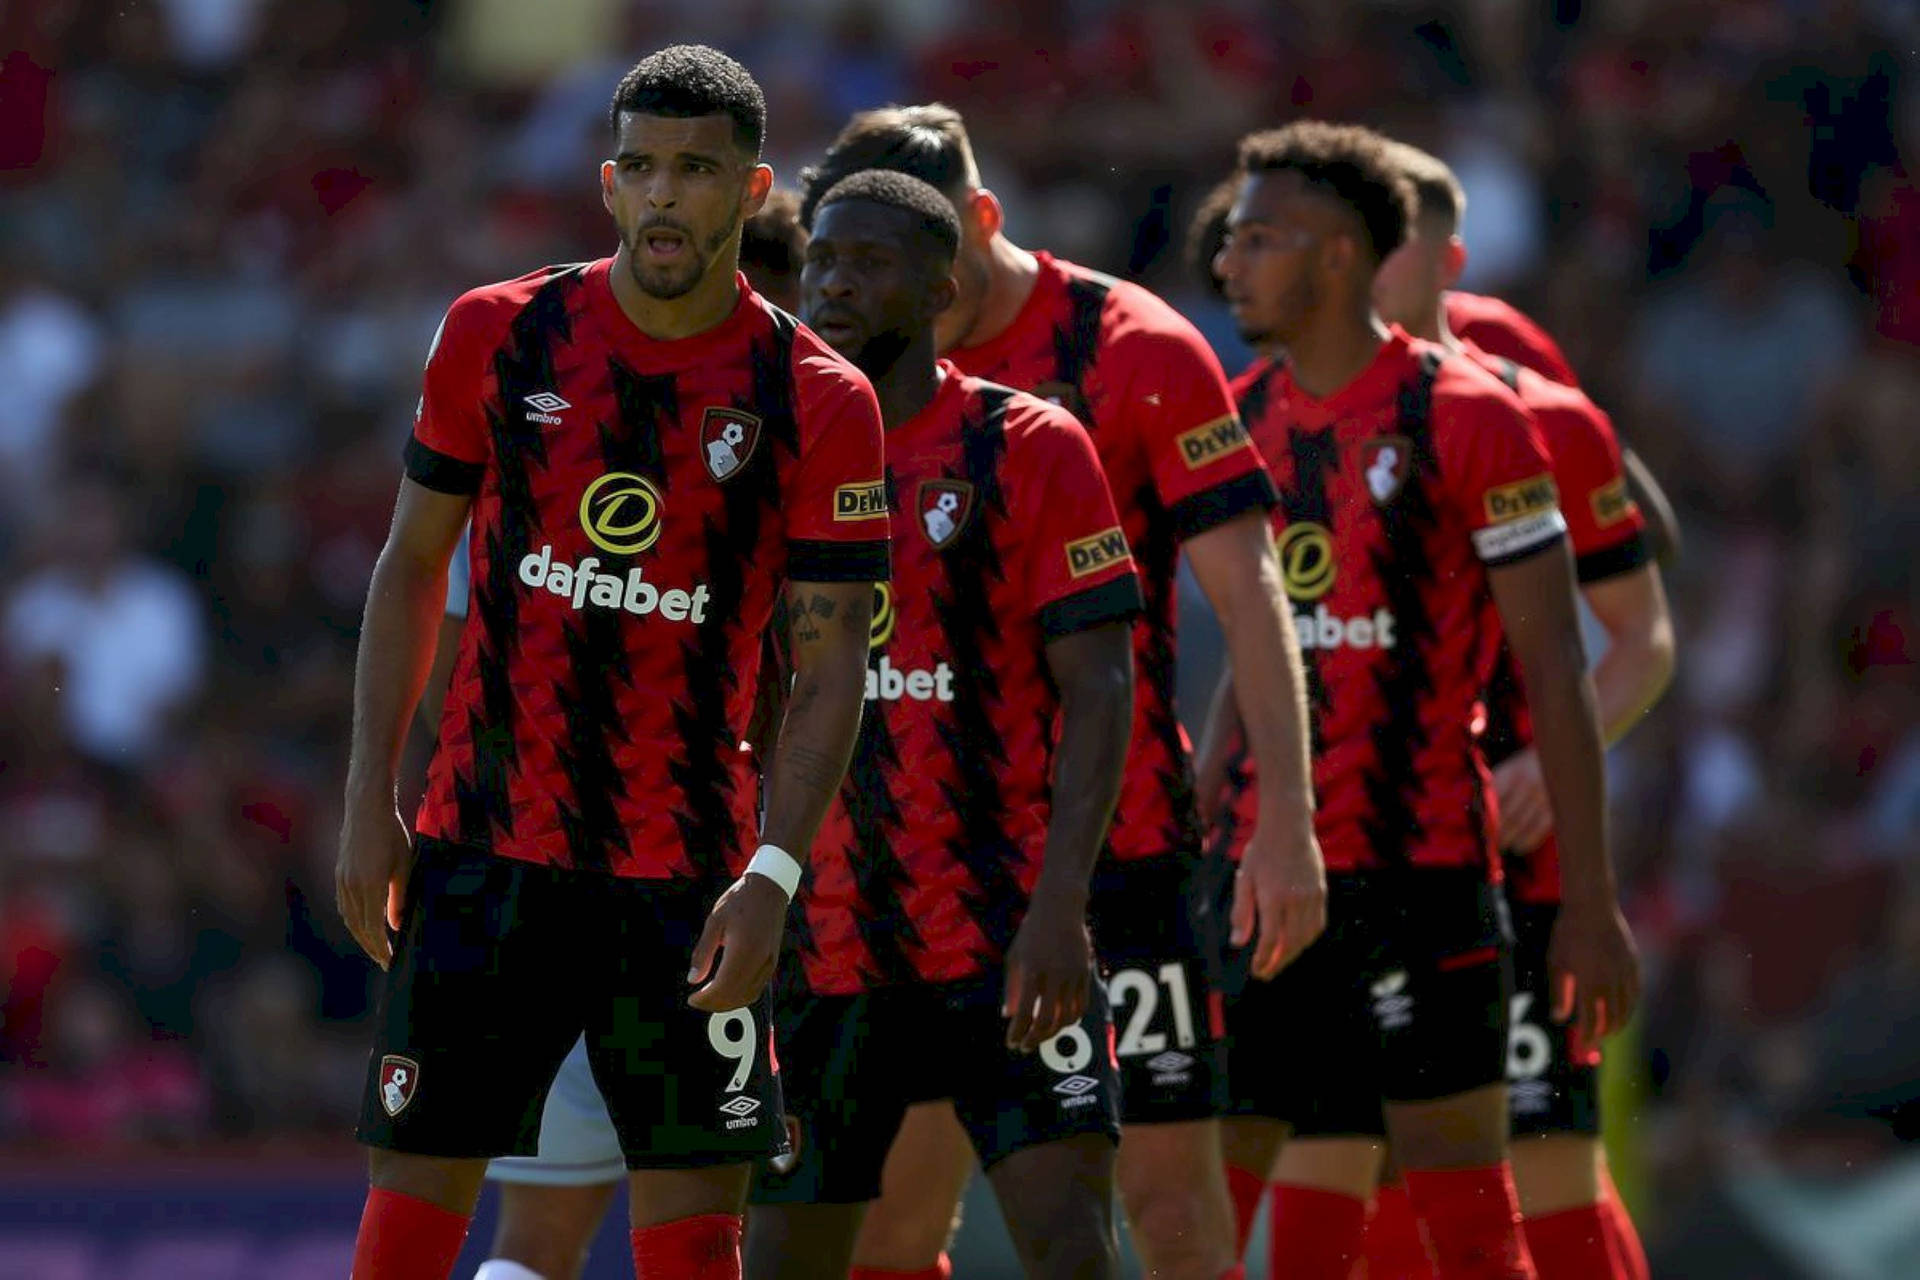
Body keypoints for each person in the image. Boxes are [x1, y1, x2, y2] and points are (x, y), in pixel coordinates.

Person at [335, 46, 888, 1280]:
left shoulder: (817, 396)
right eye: (640, 167)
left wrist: (777, 869)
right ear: (607, 182)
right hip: (484, 843)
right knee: (411, 1214)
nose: (663, 196)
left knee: (696, 1239)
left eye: (695, 171)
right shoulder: (499, 331)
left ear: (750, 193)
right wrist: (373, 798)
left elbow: (833, 661)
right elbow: (411, 565)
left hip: (687, 872)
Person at [797, 102, 1323, 1280]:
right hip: (898, 871)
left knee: (1172, 1211)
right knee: (888, 1225)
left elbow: (1253, 596)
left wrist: (1284, 818)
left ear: (977, 220)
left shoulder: (1134, 349)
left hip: (1114, 862)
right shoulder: (839, 373)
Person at [1202, 120, 1638, 1280]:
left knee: (1474, 1224)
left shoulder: (1475, 415)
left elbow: (1558, 670)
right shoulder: (1235, 419)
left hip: (1429, 877)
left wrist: (1587, 904)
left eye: (1257, 239)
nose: (1226, 265)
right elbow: (1257, 640)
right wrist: (1205, 785)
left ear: (1339, 255)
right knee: (1196, 1214)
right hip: (1266, 877)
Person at [744, 167, 1141, 1280]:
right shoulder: (764, 453)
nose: (832, 282)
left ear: (940, 284)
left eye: (869, 262)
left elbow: (1104, 692)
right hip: (821, 944)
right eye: (821, 258)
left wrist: (1064, 905)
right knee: (782, 1260)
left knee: (1071, 1249)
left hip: (1003, 936)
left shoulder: (1031, 445)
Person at [452, 186, 818, 1280]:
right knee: (717, 1230)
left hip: (532, 858)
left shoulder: (560, 421)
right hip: (712, 887)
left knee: (537, 1241)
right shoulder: (805, 441)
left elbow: (460, 643)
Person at [1352, 142, 1676, 1280]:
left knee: (1542, 1162)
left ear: (1442, 258)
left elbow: (1639, 579)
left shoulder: (1512, 376)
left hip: (1509, 847)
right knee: (1379, 1160)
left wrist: (1547, 754)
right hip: (1361, 841)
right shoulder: (1282, 390)